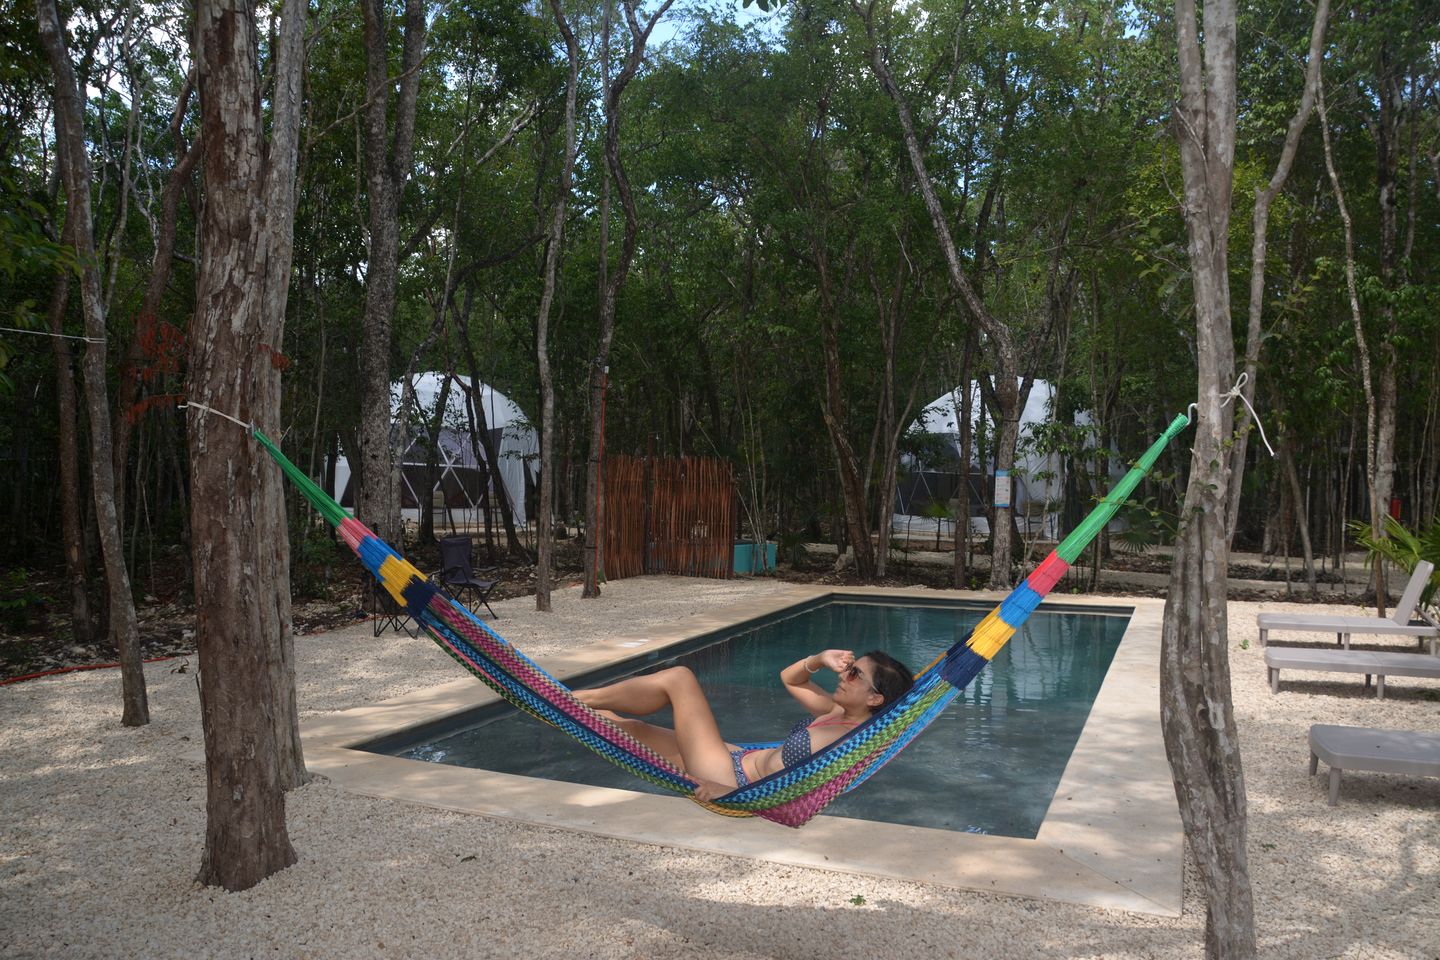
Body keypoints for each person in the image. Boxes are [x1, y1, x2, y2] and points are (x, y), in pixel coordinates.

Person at [574, 648, 915, 802]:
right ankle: (565, 703)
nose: (845, 674)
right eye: (850, 667)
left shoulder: (848, 743)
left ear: (875, 699)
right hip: (735, 759)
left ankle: (579, 696)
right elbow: (791, 680)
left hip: (731, 780)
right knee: (627, 730)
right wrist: (820, 659)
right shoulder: (834, 710)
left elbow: (801, 792)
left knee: (679, 679)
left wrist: (735, 795)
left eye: (855, 674)